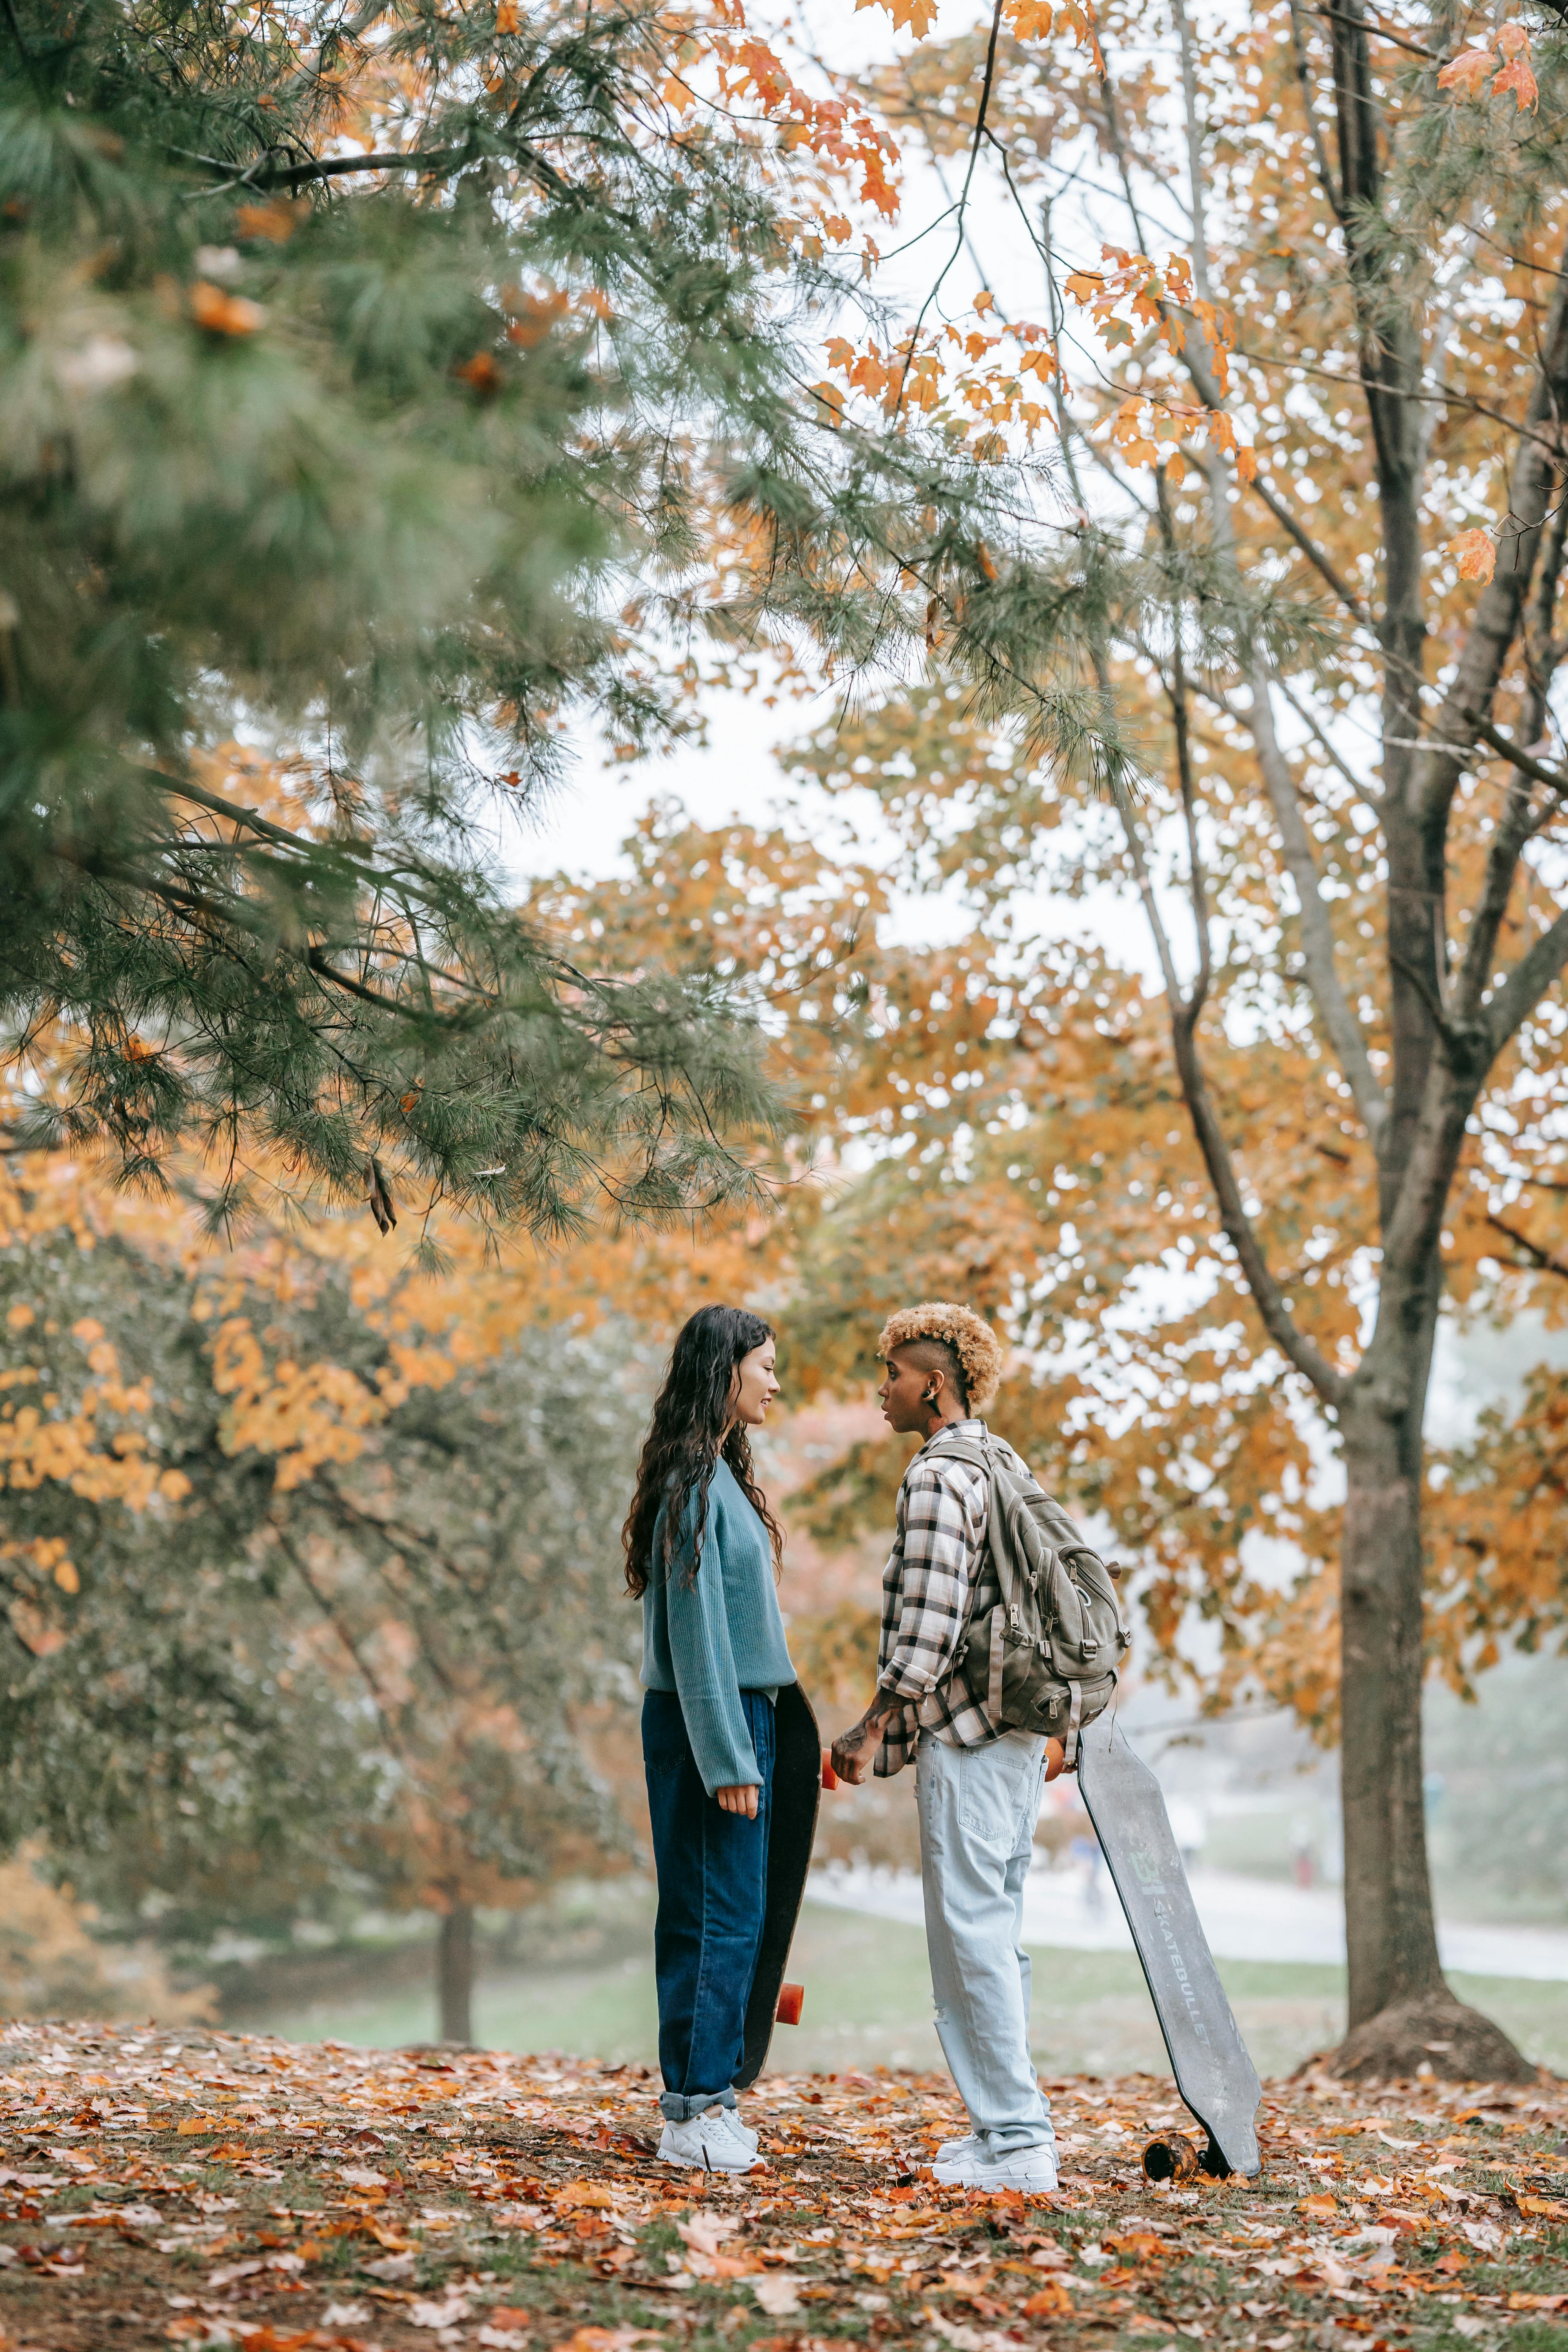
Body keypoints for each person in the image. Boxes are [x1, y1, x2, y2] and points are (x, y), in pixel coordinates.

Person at [830, 1301, 1059, 2194]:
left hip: (967, 1736)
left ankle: (1016, 2140)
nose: (880, 1389)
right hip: (1017, 1733)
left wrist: (871, 1724)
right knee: (993, 1932)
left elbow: (924, 1627)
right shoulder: (1002, 1462)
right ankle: (1005, 2131)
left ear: (933, 1383)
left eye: (891, 1374)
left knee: (968, 1934)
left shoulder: (937, 1477)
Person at [623, 1303, 795, 2174]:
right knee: (712, 1918)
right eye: (762, 1364)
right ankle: (690, 2114)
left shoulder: (715, 1472)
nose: (774, 1378)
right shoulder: (692, 1481)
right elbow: (695, 1636)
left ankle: (712, 2097)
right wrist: (728, 1756)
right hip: (711, 1723)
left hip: (738, 1718)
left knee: (735, 1915)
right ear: (722, 1369)